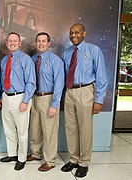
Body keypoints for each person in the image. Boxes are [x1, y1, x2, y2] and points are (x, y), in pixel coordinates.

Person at [61, 23, 108, 178]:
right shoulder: (67, 53)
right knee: (71, 128)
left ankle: (84, 163)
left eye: (77, 32)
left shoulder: (94, 50)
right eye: (71, 32)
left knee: (85, 129)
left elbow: (101, 77)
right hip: (70, 92)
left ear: (84, 33)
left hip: (86, 91)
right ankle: (73, 159)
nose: (73, 35)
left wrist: (99, 100)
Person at [27, 32, 64, 172]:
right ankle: (36, 154)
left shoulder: (55, 60)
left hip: (48, 98)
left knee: (49, 131)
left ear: (48, 43)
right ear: (36, 43)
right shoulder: (32, 59)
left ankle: (50, 160)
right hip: (34, 97)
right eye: (38, 41)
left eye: (44, 41)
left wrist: (54, 104)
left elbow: (59, 84)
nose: (41, 43)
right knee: (35, 128)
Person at [0, 32, 36, 171]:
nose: (12, 43)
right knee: (9, 129)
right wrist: (2, 96)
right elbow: (3, 80)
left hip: (20, 97)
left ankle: (21, 158)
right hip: (6, 97)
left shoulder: (26, 59)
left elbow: (31, 82)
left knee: (22, 131)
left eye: (15, 41)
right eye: (10, 41)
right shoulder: (4, 60)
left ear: (20, 43)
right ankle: (12, 154)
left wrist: (25, 101)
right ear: (7, 43)